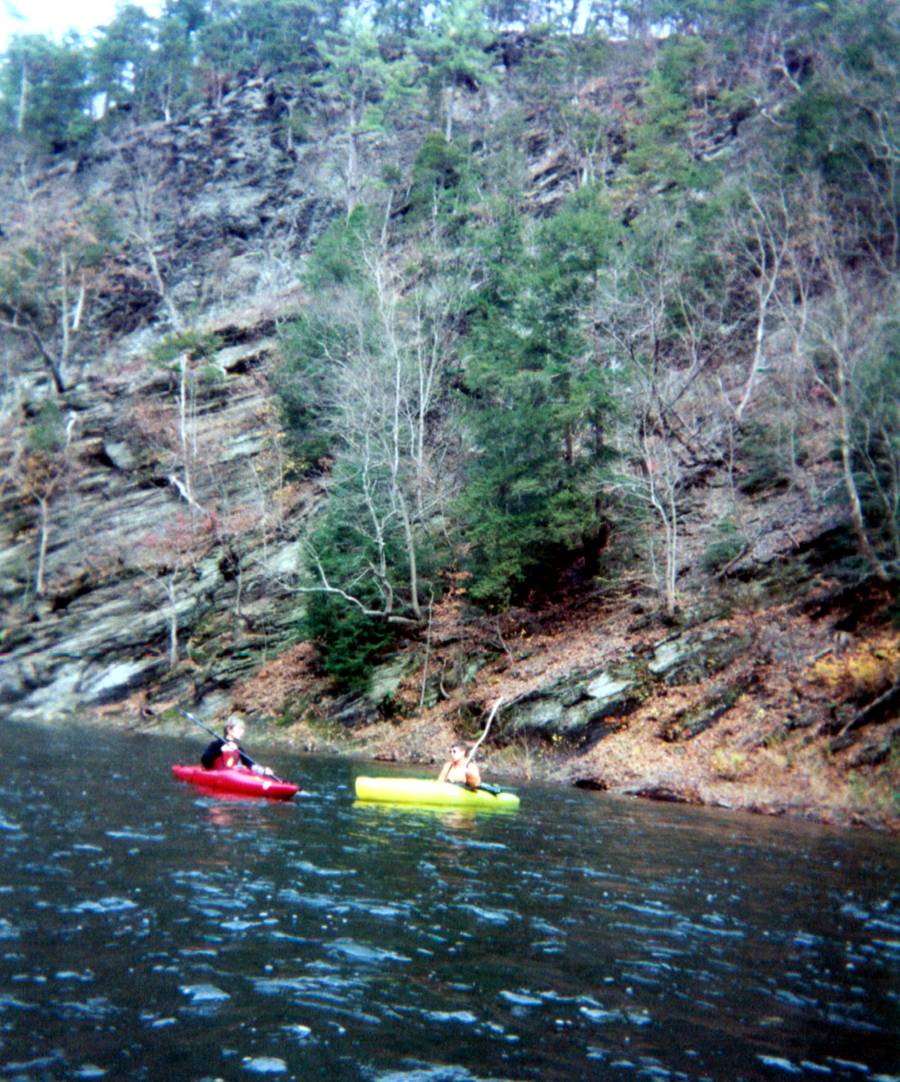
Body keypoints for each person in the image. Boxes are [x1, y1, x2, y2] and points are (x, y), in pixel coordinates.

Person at [201, 716, 273, 775]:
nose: (242, 732)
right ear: (229, 730)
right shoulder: (216, 744)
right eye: (239, 729)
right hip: (216, 773)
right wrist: (221, 751)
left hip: (231, 775)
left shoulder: (238, 748)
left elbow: (249, 763)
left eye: (243, 729)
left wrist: (263, 771)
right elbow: (205, 761)